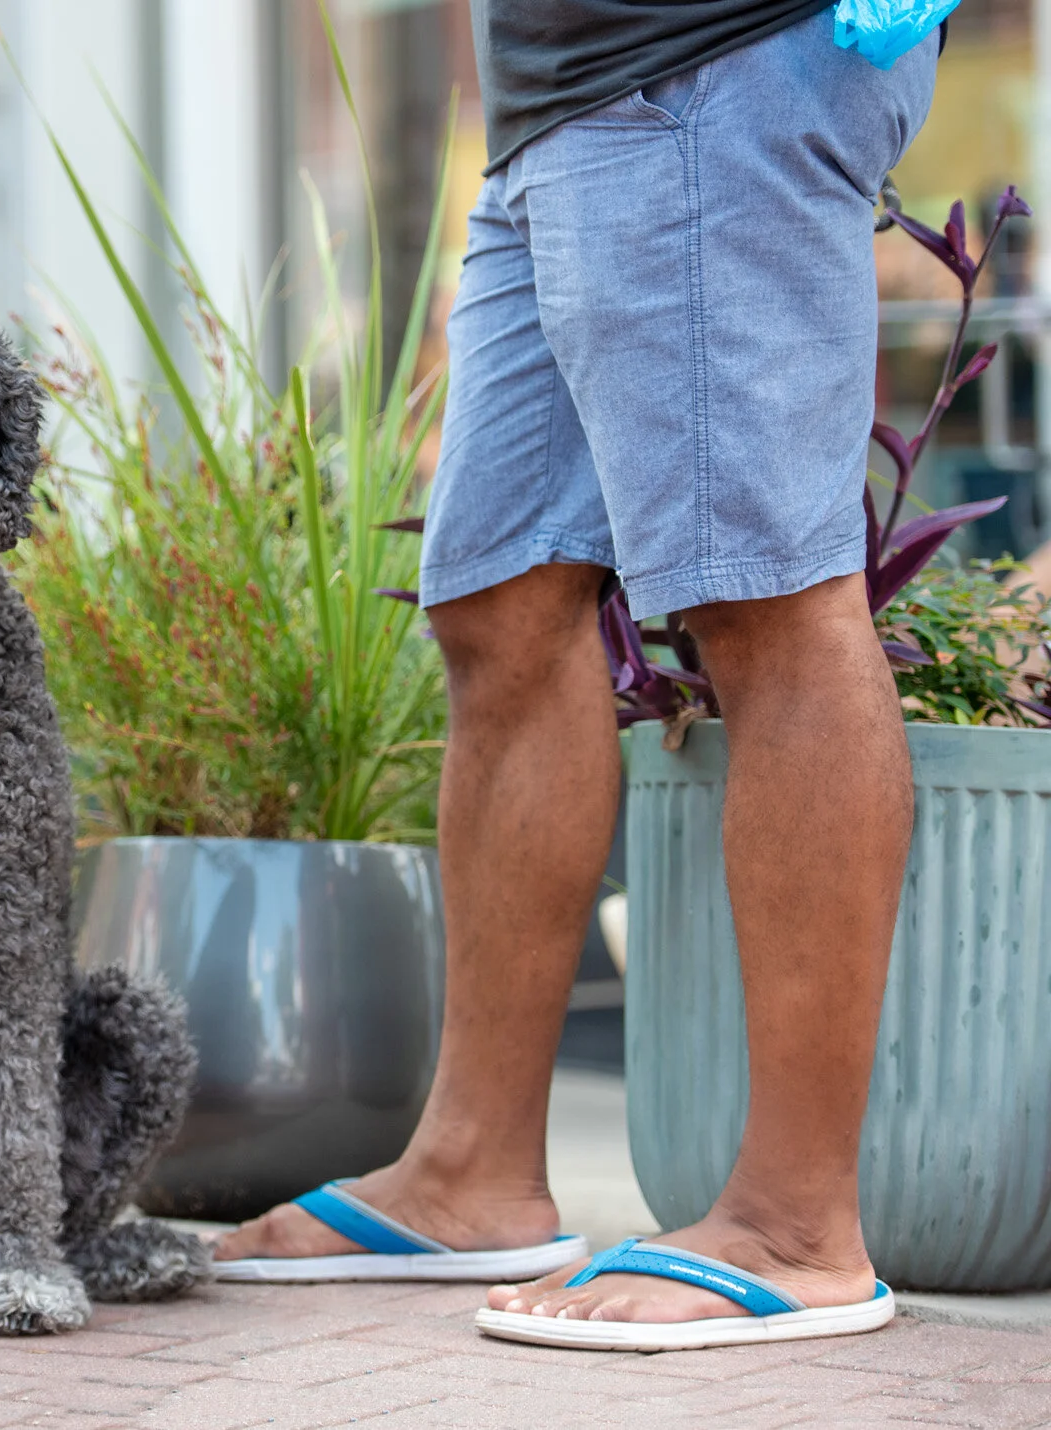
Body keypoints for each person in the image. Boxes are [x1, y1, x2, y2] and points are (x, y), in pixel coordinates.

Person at [216, 4, 940, 1349]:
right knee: (500, 609)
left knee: (768, 604)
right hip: (560, 99)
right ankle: (472, 1169)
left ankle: (797, 1224)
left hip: (716, 60)